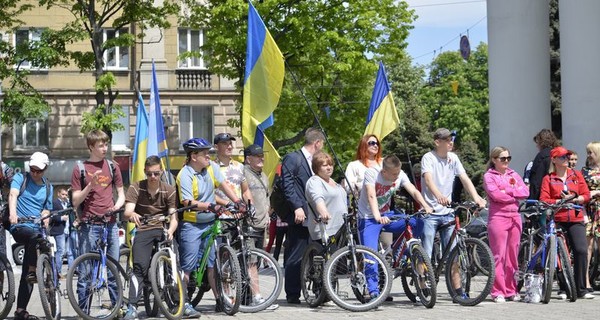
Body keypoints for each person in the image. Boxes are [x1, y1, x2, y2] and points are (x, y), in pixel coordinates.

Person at [176, 138, 244, 316]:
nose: (208, 155)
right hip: (192, 224)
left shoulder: (212, 168)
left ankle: (219, 299)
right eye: (204, 153)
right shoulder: (185, 174)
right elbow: (186, 201)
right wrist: (209, 206)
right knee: (188, 266)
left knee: (213, 263)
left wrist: (237, 202)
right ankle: (184, 303)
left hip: (210, 222)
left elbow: (224, 185)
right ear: (193, 156)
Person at [419, 128, 486, 299]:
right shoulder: (429, 158)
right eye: (447, 140)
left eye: (452, 139)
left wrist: (477, 197)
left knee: (454, 254)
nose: (451, 142)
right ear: (437, 142)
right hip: (431, 212)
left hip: (447, 212)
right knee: (425, 251)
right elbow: (428, 179)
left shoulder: (453, 158)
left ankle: (457, 291)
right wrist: (439, 196)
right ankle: (422, 284)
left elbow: (464, 179)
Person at [357, 155, 432, 299]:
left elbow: (414, 191)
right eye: (393, 174)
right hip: (368, 218)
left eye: (398, 173)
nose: (396, 177)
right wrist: (377, 215)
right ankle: (373, 291)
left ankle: (403, 254)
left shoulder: (400, 174)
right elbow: (371, 195)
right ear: (384, 171)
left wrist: (425, 205)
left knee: (416, 222)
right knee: (371, 256)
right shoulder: (372, 173)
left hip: (387, 215)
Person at [70, 129, 125, 311]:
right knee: (85, 271)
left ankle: (118, 309)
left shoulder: (112, 166)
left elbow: (121, 194)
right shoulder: (80, 169)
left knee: (113, 269)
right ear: (91, 146)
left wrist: (117, 206)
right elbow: (75, 200)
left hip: (110, 223)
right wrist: (90, 186)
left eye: (106, 144)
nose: (104, 148)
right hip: (89, 225)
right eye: (100, 145)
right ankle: (83, 310)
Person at [122, 156, 178, 320]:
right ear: (145, 172)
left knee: (175, 264)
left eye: (156, 173)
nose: (153, 177)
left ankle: (181, 303)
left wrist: (171, 230)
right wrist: (132, 213)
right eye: (149, 174)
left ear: (161, 171)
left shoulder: (169, 189)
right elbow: (127, 212)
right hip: (144, 229)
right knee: (139, 267)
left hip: (163, 228)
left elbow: (173, 217)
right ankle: (132, 306)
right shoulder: (136, 187)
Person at [540, 146, 593, 299]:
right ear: (554, 160)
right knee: (559, 253)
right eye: (563, 157)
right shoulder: (548, 179)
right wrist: (559, 201)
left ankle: (581, 288)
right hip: (558, 219)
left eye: (568, 156)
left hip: (575, 217)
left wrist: (576, 198)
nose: (567, 159)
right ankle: (563, 288)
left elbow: (586, 194)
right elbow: (544, 200)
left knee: (581, 250)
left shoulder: (576, 175)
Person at [281, 127, 324, 304]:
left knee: (317, 254)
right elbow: (287, 184)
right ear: (317, 143)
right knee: (296, 254)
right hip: (300, 215)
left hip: (316, 216)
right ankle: (292, 293)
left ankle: (318, 290)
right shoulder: (294, 158)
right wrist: (297, 207)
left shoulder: (316, 162)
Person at [8, 152, 53, 320]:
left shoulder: (48, 186)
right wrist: (13, 213)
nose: (34, 173)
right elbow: (13, 195)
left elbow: (46, 208)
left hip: (36, 230)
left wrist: (46, 217)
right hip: (20, 226)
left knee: (29, 268)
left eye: (38, 171)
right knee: (33, 240)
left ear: (45, 169)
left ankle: (21, 311)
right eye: (32, 169)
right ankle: (33, 272)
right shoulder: (21, 178)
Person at [483, 146, 529, 303]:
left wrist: (507, 192)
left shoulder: (513, 174)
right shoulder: (489, 176)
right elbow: (495, 195)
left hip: (515, 217)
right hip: (498, 217)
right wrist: (513, 194)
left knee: (513, 256)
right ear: (494, 160)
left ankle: (511, 289)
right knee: (499, 255)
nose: (506, 161)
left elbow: (525, 192)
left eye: (508, 158)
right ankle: (497, 291)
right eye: (503, 159)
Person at [242, 144, 274, 307]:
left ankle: (247, 296)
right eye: (257, 156)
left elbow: (266, 198)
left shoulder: (263, 176)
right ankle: (257, 297)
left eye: (262, 155)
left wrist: (268, 215)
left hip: (262, 225)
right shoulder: (244, 174)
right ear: (248, 159)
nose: (262, 158)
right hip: (248, 225)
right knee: (251, 262)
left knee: (257, 262)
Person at [305, 152, 346, 244]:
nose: (329, 168)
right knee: (334, 257)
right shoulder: (315, 181)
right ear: (317, 167)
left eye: (331, 165)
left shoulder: (332, 181)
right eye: (325, 165)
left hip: (341, 228)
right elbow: (318, 198)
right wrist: (323, 212)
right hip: (326, 229)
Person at [213, 132, 253, 209]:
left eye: (230, 143)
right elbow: (208, 194)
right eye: (225, 144)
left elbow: (245, 190)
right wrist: (228, 204)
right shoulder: (210, 167)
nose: (230, 147)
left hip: (240, 215)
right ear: (216, 147)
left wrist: (251, 205)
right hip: (220, 216)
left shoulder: (239, 166)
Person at [581, 141, 600, 294]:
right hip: (589, 210)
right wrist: (590, 194)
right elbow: (580, 191)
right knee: (587, 248)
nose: (588, 155)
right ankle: (585, 281)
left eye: (591, 152)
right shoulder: (584, 171)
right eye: (587, 152)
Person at [528, 128, 560, 200]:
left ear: (541, 142)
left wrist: (531, 201)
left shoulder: (542, 156)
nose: (537, 146)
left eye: (538, 143)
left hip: (544, 197)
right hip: (558, 195)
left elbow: (537, 181)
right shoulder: (559, 155)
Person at [50, 186, 70, 274]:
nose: (64, 196)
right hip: (59, 230)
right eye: (63, 194)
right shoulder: (55, 203)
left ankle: (59, 271)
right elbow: (52, 216)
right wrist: (61, 218)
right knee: (60, 251)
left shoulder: (66, 204)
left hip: (67, 230)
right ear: (58, 194)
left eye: (66, 194)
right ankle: (57, 272)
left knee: (66, 252)